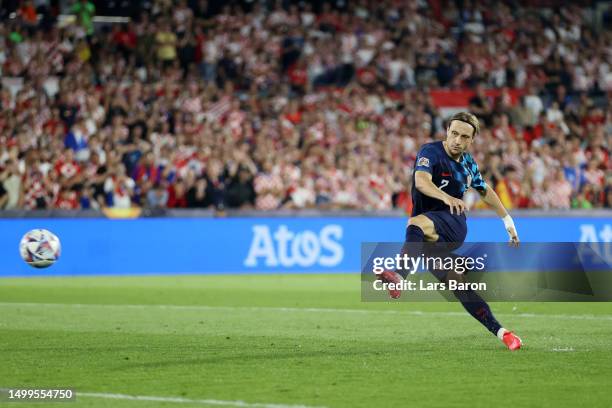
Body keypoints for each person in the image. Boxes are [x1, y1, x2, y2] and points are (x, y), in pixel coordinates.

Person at [378, 112, 523, 351]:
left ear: (472, 140)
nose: (457, 140)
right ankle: (503, 333)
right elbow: (422, 182)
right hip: (429, 238)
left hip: (453, 223)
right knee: (458, 283)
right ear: (447, 131)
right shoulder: (430, 152)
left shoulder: (468, 164)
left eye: (464, 136)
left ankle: (400, 277)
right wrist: (446, 196)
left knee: (415, 223)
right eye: (454, 133)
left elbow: (485, 190)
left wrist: (508, 221)